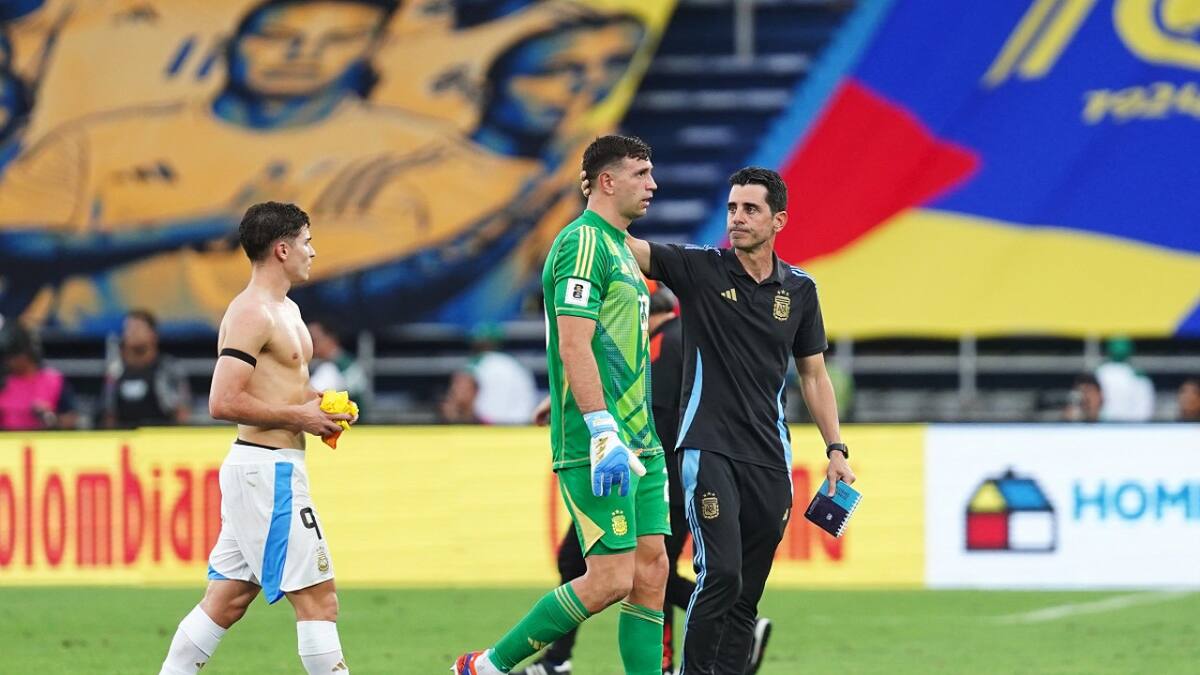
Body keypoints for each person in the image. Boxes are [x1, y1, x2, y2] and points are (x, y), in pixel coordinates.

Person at [611, 166, 854, 674]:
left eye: (750, 209)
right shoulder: (701, 269)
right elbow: (628, 247)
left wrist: (836, 450)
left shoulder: (801, 291)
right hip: (708, 448)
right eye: (731, 208)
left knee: (745, 593)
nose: (737, 219)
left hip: (769, 458)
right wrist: (603, 201)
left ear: (778, 220)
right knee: (719, 573)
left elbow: (813, 376)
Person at [455, 134, 670, 675]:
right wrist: (600, 429)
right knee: (610, 579)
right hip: (602, 442)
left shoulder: (622, 247)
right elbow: (573, 340)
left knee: (652, 573)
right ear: (607, 181)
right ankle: (485, 667)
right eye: (641, 173)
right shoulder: (582, 243)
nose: (653, 184)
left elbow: (609, 344)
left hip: (641, 438)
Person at [157, 201, 356, 675]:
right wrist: (299, 417)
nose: (314, 251)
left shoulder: (287, 309)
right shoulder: (250, 313)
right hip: (268, 474)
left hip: (267, 470)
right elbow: (222, 401)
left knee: (224, 602)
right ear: (282, 249)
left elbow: (285, 386)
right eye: (307, 241)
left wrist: (321, 405)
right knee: (320, 602)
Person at [522, 282, 690, 675]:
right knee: (647, 568)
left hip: (643, 472)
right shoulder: (675, 340)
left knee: (639, 569)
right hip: (664, 472)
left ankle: (512, 662)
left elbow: (647, 409)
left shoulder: (662, 344)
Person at [102, 309, 191, 428]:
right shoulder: (115, 371)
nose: (132, 333)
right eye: (129, 329)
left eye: (138, 328)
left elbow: (182, 411)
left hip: (161, 437)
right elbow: (109, 413)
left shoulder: (168, 368)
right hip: (125, 440)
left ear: (153, 334)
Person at [0, 320, 77, 430]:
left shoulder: (53, 381)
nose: (7, 362)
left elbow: (71, 419)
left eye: (10, 357)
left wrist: (50, 417)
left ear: (25, 355)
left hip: (43, 443)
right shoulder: (3, 379)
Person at [307, 318, 367, 406]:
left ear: (331, 338)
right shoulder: (347, 362)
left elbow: (309, 398)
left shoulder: (332, 368)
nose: (309, 345)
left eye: (313, 340)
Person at [1095, 337, 1155, 421]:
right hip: (1109, 425)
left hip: (1129, 426)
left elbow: (1145, 408)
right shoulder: (1100, 373)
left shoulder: (1099, 372)